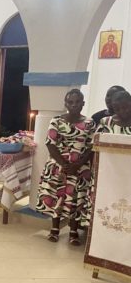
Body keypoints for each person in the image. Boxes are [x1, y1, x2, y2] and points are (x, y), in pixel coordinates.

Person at [36, 89, 95, 245]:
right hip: (58, 166)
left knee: (76, 198)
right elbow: (50, 144)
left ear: (83, 103)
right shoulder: (56, 121)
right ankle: (54, 229)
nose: (74, 105)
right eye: (70, 102)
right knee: (58, 196)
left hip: (80, 168)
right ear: (65, 104)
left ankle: (73, 231)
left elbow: (91, 147)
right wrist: (64, 164)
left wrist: (78, 164)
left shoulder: (90, 123)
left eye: (77, 102)